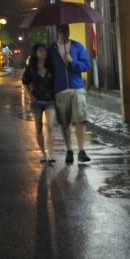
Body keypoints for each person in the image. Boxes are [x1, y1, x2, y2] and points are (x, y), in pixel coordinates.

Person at [48, 25, 91, 163]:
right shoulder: (51, 50)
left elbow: (86, 65)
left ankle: (81, 151)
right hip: (60, 91)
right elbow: (48, 70)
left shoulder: (77, 46)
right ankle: (69, 151)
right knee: (64, 122)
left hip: (77, 88)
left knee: (80, 120)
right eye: (62, 30)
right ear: (57, 32)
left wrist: (72, 61)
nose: (65, 32)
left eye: (67, 29)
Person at [21, 43, 57, 163]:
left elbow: (56, 82)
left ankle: (50, 155)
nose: (44, 52)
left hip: (50, 101)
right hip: (36, 102)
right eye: (41, 50)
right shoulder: (30, 69)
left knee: (50, 126)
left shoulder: (51, 67)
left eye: (45, 50)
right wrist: (30, 96)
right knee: (38, 128)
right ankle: (43, 154)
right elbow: (24, 82)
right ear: (35, 53)